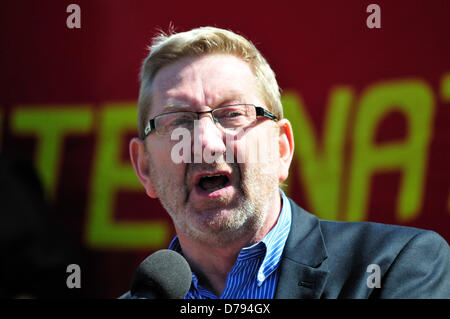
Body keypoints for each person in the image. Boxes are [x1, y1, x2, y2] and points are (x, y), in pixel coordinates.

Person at [125, 26, 450, 299]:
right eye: (179, 120)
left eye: (233, 114)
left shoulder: (396, 266)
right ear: (145, 167)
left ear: (282, 149)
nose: (206, 143)